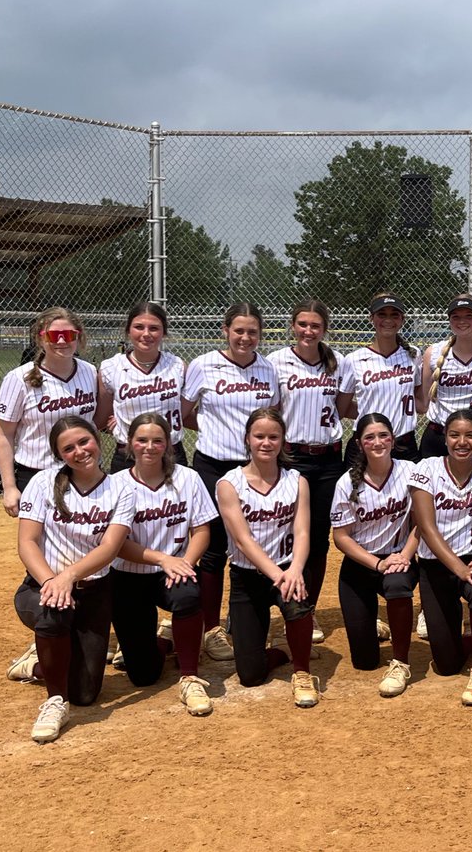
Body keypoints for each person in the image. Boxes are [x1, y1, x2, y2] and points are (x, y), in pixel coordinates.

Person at [9, 416, 134, 742]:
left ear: (97, 439)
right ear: (59, 454)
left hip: (93, 593)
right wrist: (53, 581)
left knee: (85, 693)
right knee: (54, 614)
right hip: (40, 586)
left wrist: (69, 577)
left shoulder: (121, 487)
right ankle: (54, 702)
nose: (79, 451)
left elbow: (110, 546)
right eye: (69, 448)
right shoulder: (42, 482)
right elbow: (27, 542)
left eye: (84, 442)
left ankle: (35, 664)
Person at [180, 303, 280, 664]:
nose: (245, 337)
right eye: (238, 330)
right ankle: (210, 628)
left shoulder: (267, 368)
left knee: (252, 542)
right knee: (213, 547)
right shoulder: (203, 365)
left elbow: (272, 418)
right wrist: (214, 432)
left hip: (253, 468)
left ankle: (245, 619)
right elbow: (184, 413)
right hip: (212, 464)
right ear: (225, 330)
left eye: (252, 331)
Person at [110, 413, 217, 716]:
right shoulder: (115, 485)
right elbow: (116, 543)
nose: (150, 446)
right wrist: (162, 558)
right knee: (143, 676)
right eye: (142, 440)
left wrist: (186, 562)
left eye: (158, 440)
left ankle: (190, 676)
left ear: (169, 444)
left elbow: (202, 530)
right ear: (129, 444)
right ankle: (164, 643)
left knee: (187, 595)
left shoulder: (187, 477)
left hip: (173, 571)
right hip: (129, 576)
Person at [216, 407, 318, 706]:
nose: (266, 442)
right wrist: (278, 575)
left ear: (283, 441)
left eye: (273, 436)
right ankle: (284, 650)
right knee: (250, 675)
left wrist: (295, 570)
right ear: (247, 438)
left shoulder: (296, 480)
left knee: (297, 603)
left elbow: (302, 533)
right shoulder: (228, 484)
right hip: (248, 576)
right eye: (259, 436)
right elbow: (242, 540)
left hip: (289, 568)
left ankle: (302, 672)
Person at [408, 409, 472, 706]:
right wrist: (458, 568)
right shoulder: (426, 469)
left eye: (471, 435)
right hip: (436, 565)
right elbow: (426, 528)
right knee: (447, 664)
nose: (462, 441)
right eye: (454, 435)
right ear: (444, 437)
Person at [269, 300, 347, 644]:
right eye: (302, 324)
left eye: (315, 325)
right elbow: (269, 412)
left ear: (324, 329)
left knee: (316, 539)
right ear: (292, 325)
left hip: (329, 459)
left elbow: (343, 408)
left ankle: (307, 607)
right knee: (277, 531)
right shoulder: (276, 362)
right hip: (291, 457)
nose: (308, 331)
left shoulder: (337, 362)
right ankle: (258, 608)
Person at [330, 413, 418, 697]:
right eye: (369, 437)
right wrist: (377, 563)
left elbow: (422, 524)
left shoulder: (410, 472)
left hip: (398, 557)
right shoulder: (347, 482)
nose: (377, 442)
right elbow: (341, 537)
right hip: (361, 564)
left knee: (397, 584)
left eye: (383, 435)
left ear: (393, 439)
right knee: (365, 662)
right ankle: (375, 626)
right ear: (359, 444)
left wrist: (404, 555)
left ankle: (401, 661)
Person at [0, 307, 97, 518]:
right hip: (37, 474)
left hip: (85, 471)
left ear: (78, 337)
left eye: (68, 335)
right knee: (40, 545)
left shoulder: (90, 372)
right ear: (40, 339)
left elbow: (98, 420)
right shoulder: (18, 379)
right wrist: (9, 487)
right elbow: (4, 435)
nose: (61, 341)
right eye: (53, 335)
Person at [95, 302, 186, 473]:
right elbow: (100, 417)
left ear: (163, 332)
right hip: (128, 455)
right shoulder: (111, 367)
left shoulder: (177, 365)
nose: (146, 334)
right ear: (128, 331)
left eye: (154, 328)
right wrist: (119, 423)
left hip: (171, 452)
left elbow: (184, 410)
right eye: (138, 327)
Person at [337, 292, 425, 463]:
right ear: (372, 318)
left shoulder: (413, 354)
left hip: (404, 443)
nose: (388, 320)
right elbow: (342, 408)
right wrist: (373, 414)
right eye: (382, 314)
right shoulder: (354, 359)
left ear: (402, 320)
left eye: (394, 315)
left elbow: (419, 402)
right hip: (367, 444)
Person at [421, 294, 472, 460]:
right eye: (456, 316)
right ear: (449, 320)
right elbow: (424, 401)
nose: (462, 321)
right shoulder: (433, 353)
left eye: (469, 316)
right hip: (439, 435)